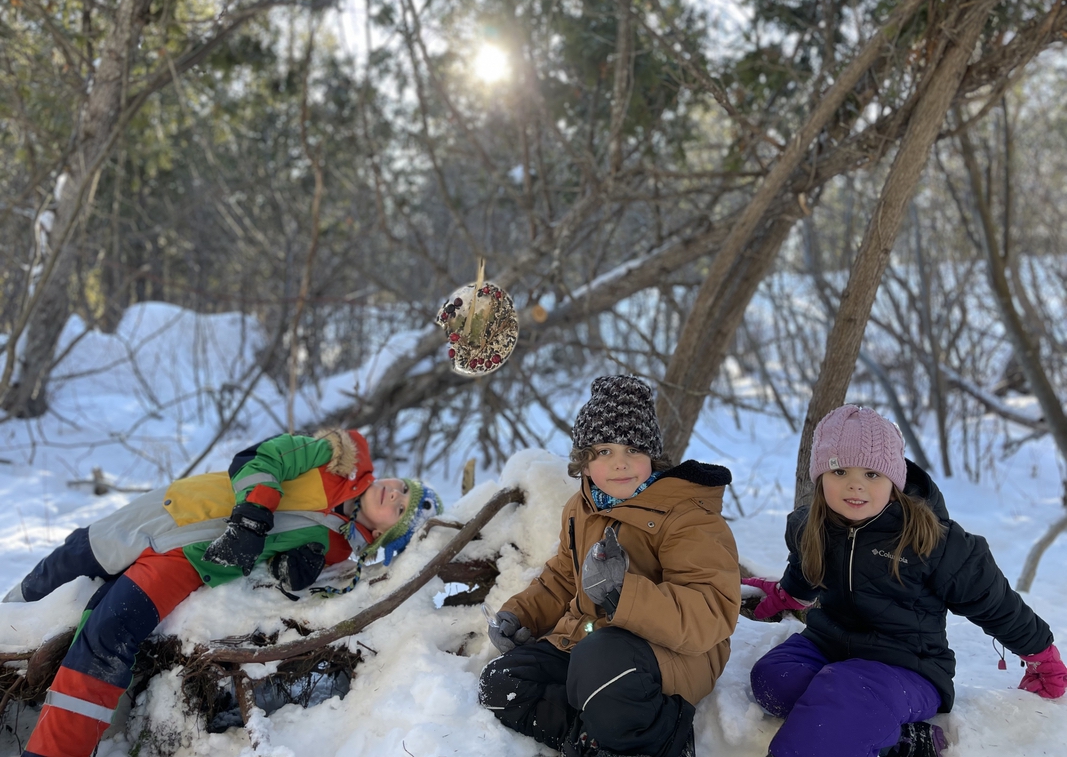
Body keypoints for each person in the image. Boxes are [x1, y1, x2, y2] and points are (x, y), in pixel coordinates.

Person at [4, 428, 441, 757]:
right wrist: (253, 515)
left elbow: (291, 596)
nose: (395, 492)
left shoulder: (341, 558)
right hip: (166, 512)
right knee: (46, 579)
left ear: (385, 531)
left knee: (108, 639)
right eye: (405, 487)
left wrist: (292, 575)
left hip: (189, 562)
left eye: (400, 509)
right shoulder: (342, 456)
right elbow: (261, 457)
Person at [744, 404, 1066, 757]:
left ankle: (859, 721)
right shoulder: (811, 525)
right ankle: (894, 735)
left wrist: (1041, 654)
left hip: (908, 665)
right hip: (830, 644)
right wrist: (783, 596)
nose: (855, 484)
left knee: (840, 696)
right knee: (774, 681)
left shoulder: (931, 540)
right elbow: (804, 570)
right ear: (820, 477)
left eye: (872, 474)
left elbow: (993, 600)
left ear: (894, 480)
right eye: (839, 470)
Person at [478, 375, 741, 757]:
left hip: (668, 655)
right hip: (587, 644)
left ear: (653, 455)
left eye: (633, 449)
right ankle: (591, 740)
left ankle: (665, 739)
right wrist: (521, 615)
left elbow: (712, 611)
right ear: (583, 463)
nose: (620, 463)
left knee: (602, 663)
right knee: (503, 683)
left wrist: (624, 595)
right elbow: (564, 577)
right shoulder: (581, 508)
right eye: (603, 451)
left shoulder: (687, 516)